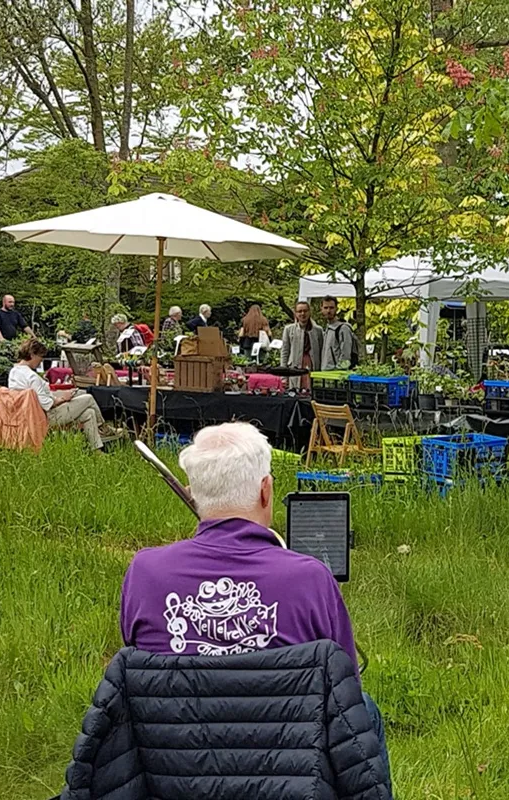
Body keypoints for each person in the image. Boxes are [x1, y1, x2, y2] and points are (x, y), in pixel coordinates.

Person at [118, 422, 391, 787]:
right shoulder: (310, 578)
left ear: (194, 494)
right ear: (266, 491)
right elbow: (346, 697)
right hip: (288, 781)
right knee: (365, 711)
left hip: (175, 776)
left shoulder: (144, 572)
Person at [8, 338, 110, 451]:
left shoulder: (14, 372)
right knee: (88, 398)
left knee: (89, 412)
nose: (41, 361)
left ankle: (96, 449)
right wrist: (63, 398)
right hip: (45, 417)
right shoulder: (31, 376)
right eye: (40, 357)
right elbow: (47, 404)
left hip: (26, 415)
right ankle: (103, 428)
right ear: (32, 355)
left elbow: (36, 397)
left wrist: (57, 395)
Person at [281, 300, 322, 390]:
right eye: (300, 311)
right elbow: (285, 352)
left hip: (312, 364)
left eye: (305, 311)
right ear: (296, 313)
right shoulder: (289, 330)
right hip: (295, 365)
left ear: (309, 312)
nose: (303, 314)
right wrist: (284, 376)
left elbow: (321, 351)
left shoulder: (318, 330)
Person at [320, 295, 356, 370]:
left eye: (331, 308)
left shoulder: (343, 328)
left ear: (336, 308)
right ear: (321, 309)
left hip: (337, 375)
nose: (328, 311)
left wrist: (339, 370)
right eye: (326, 308)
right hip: (326, 374)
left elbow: (346, 355)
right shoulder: (328, 328)